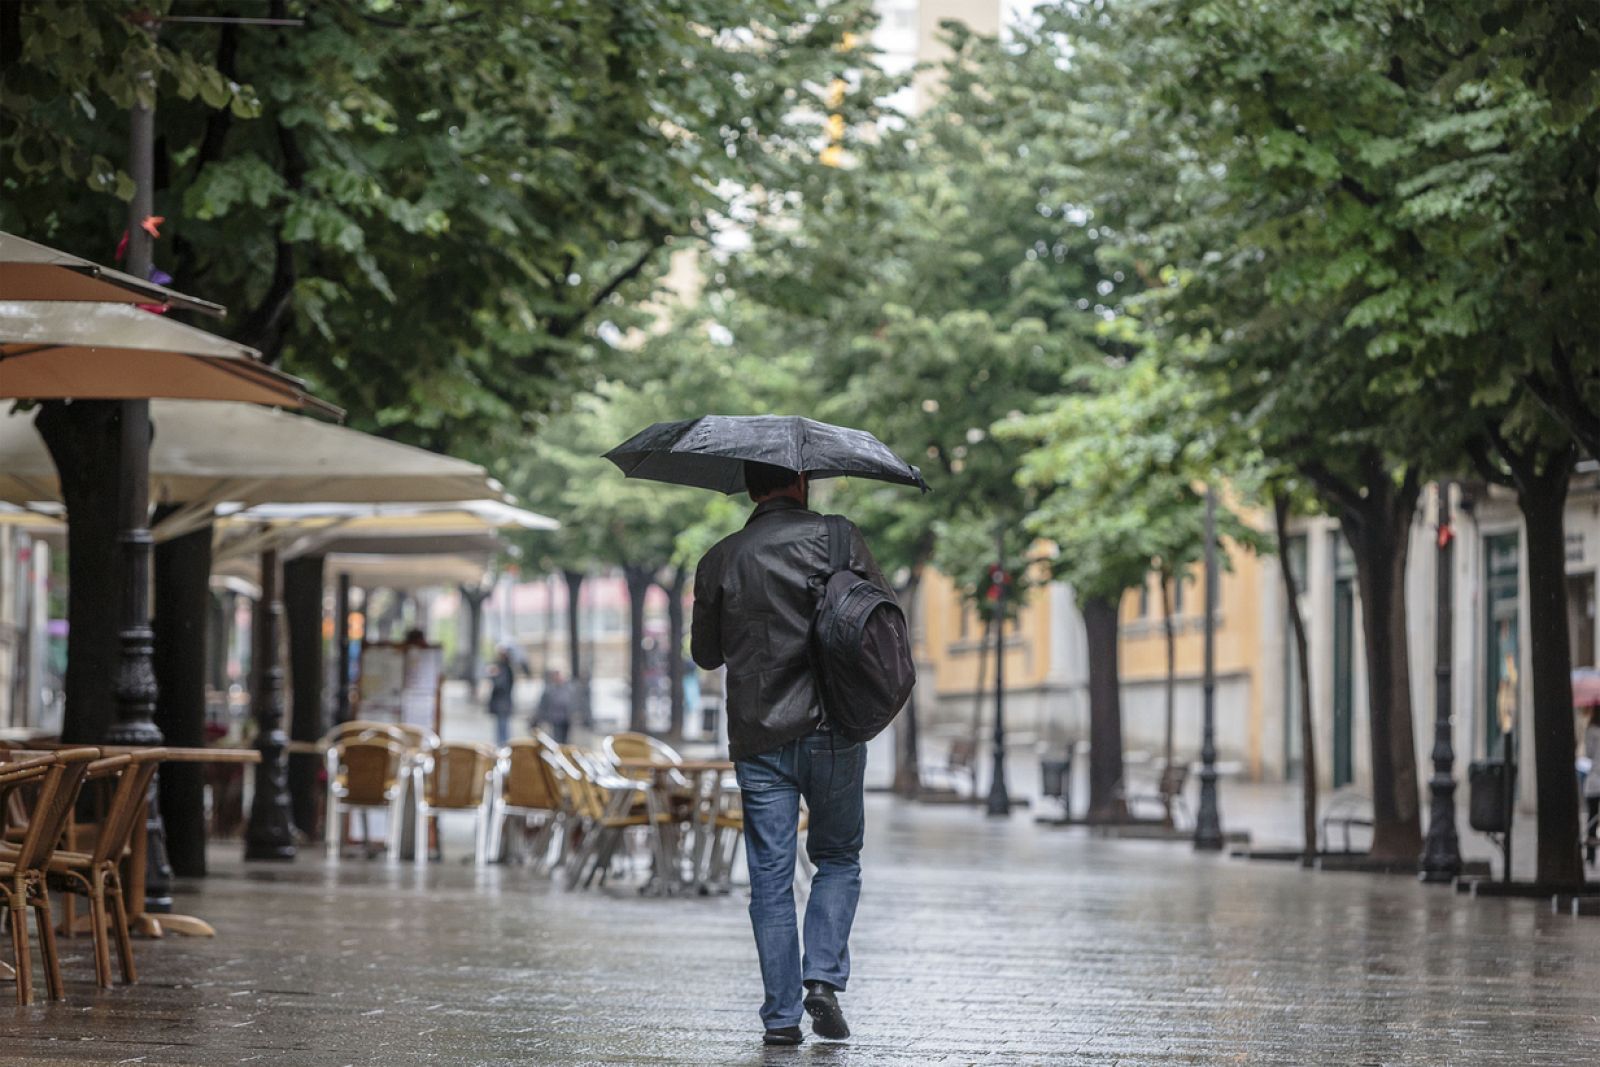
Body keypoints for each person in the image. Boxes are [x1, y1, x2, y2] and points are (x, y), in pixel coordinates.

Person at [691, 460, 890, 1047]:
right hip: (834, 726)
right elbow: (880, 618)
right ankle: (822, 976)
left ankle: (781, 1018)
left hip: (759, 737)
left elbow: (705, 655)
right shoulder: (839, 537)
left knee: (770, 879)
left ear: (750, 488)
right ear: (801, 483)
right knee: (838, 857)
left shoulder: (721, 557)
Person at [485, 646, 518, 747]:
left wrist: (494, 676)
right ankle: (503, 746)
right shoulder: (506, 667)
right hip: (502, 703)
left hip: (502, 704)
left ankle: (503, 748)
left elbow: (501, 685)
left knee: (502, 729)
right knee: (501, 728)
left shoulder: (504, 669)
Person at [534, 669, 574, 744]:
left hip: (566, 718)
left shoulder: (568, 688)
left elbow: (572, 702)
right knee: (557, 739)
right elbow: (543, 705)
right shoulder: (549, 689)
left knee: (566, 739)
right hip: (555, 718)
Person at [1584, 706, 1600, 866]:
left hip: (1594, 780)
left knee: (1592, 818)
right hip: (1595, 778)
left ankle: (1591, 855)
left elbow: (1588, 754)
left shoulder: (1591, 731)